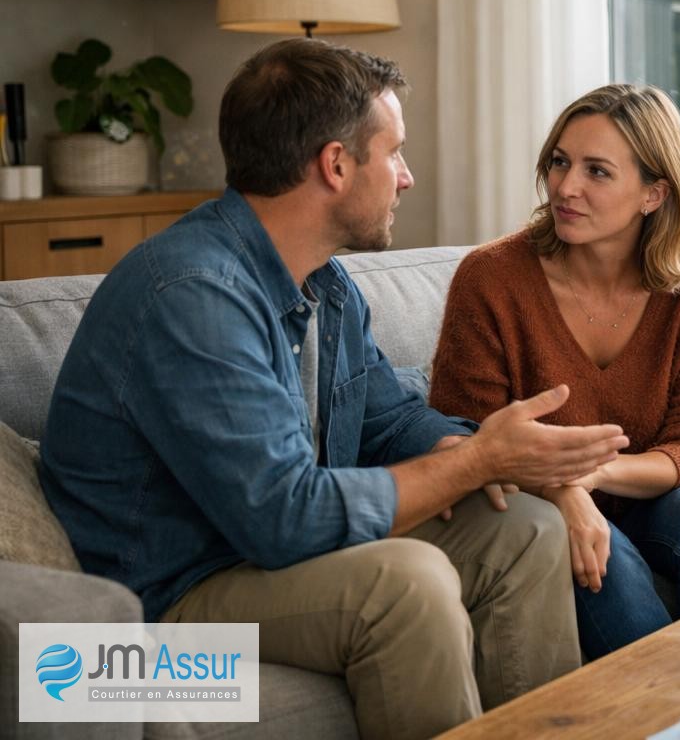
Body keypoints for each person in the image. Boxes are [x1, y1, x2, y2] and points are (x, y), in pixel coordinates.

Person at [40, 38, 630, 740]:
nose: (406, 177)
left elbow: (391, 420)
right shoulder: (193, 296)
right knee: (405, 585)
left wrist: (530, 468)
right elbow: (283, 519)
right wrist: (478, 461)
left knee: (524, 532)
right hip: (166, 595)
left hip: (259, 559)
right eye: (394, 153)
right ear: (337, 164)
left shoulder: (324, 285)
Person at [430, 83, 680, 660]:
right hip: (532, 505)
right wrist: (562, 491)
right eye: (560, 162)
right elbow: (466, 438)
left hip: (646, 497)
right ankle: (672, 714)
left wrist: (591, 473)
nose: (566, 187)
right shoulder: (490, 279)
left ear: (654, 194)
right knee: (593, 552)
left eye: (597, 171)